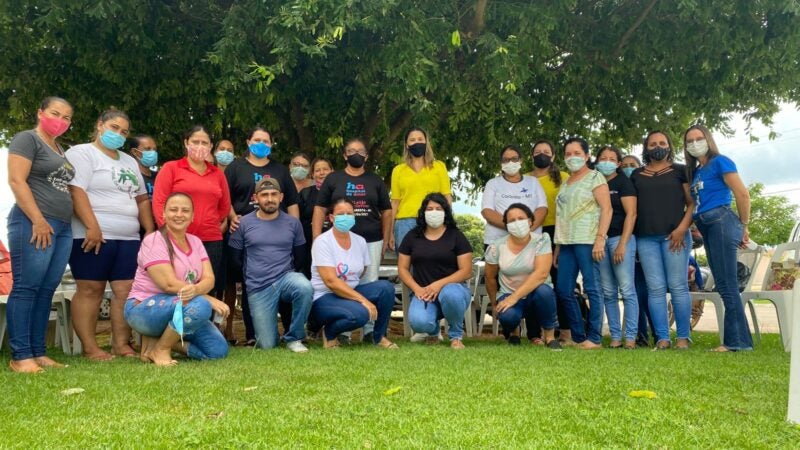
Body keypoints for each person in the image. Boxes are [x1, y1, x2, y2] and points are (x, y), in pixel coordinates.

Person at [66, 109, 155, 361]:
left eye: (124, 132)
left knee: (126, 290)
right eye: (114, 128)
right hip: (91, 234)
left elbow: (141, 199)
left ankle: (120, 344)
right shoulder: (82, 152)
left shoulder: (128, 161)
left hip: (128, 238)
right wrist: (92, 226)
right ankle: (91, 347)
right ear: (100, 125)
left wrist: (149, 231)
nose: (119, 134)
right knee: (90, 289)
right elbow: (76, 190)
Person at [6, 96, 75, 373]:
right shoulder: (27, 139)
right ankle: (21, 356)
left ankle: (38, 352)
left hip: (62, 226)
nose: (60, 120)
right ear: (40, 112)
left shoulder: (59, 148)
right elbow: (16, 180)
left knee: (47, 289)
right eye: (55, 113)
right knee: (27, 287)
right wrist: (37, 219)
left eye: (67, 117)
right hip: (33, 222)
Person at [125, 193, 230, 366]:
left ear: (192, 216)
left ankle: (157, 344)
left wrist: (197, 292)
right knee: (201, 306)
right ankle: (161, 350)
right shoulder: (154, 241)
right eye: (173, 210)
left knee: (217, 351)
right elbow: (168, 284)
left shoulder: (195, 241)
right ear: (163, 214)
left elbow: (209, 278)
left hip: (183, 307)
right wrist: (203, 296)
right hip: (144, 308)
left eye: (185, 210)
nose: (179, 214)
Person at [223, 127, 299, 344]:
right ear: (248, 142)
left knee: (285, 277)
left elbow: (291, 201)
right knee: (249, 283)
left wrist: (294, 228)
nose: (261, 144)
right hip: (245, 233)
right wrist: (232, 216)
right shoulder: (235, 167)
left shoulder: (280, 170)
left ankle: (290, 331)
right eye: (257, 140)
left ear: (271, 144)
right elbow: (224, 196)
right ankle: (251, 334)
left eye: (266, 141)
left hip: (278, 234)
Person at [312, 138, 392, 342]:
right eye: (351, 150)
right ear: (344, 155)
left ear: (366, 155)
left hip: (370, 240)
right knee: (342, 282)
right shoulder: (333, 179)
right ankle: (343, 332)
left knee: (366, 282)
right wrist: (316, 238)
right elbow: (320, 208)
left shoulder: (375, 180)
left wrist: (385, 238)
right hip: (336, 240)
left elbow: (387, 211)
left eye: (360, 150)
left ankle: (370, 332)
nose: (356, 154)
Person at [684, 124, 752, 352]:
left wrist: (744, 225)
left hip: (722, 222)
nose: (694, 143)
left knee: (728, 284)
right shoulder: (698, 171)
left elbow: (742, 193)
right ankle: (741, 342)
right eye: (689, 141)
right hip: (708, 227)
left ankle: (736, 343)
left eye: (698, 138)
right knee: (723, 284)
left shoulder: (721, 162)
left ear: (708, 139)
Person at [152, 125, 232, 314]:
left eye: (204, 142)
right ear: (186, 143)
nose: (199, 146)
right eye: (195, 141)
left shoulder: (217, 173)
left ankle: (204, 330)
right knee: (176, 285)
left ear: (211, 146)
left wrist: (210, 221)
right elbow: (159, 202)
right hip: (176, 239)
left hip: (210, 240)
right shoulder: (171, 168)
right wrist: (169, 233)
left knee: (206, 287)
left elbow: (224, 206)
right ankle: (175, 331)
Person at [228, 178, 312, 352]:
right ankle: (272, 337)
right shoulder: (242, 223)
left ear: (281, 197)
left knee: (304, 286)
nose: (270, 198)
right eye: (264, 195)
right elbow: (235, 259)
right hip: (258, 286)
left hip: (285, 279)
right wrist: (249, 278)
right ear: (256, 198)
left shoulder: (293, 223)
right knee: (267, 345)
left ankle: (294, 337)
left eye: (274, 194)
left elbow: (300, 257)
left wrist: (288, 273)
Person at [630, 130, 695, 350]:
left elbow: (691, 203)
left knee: (678, 286)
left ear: (669, 146)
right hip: (646, 239)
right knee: (655, 288)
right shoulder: (637, 175)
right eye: (652, 144)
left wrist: (681, 229)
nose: (657, 146)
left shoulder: (680, 171)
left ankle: (683, 338)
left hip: (675, 237)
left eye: (662, 142)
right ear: (646, 148)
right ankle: (662, 338)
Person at [310, 198, 398, 349]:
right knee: (361, 314)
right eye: (341, 213)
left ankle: (378, 337)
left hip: (351, 291)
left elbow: (362, 271)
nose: (346, 217)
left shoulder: (360, 241)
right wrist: (362, 300)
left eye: (349, 213)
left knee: (386, 288)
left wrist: (356, 295)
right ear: (331, 218)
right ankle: (330, 332)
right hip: (325, 296)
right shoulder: (322, 242)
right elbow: (331, 281)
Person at [554, 137, 612, 349]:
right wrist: (558, 247)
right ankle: (578, 337)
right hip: (566, 243)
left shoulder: (595, 178)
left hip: (588, 240)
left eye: (577, 153)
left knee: (593, 288)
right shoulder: (565, 183)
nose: (572, 157)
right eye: (568, 154)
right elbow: (562, 215)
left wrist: (600, 239)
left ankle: (594, 337)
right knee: (563, 290)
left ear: (587, 156)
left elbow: (607, 209)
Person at [398, 193, 472, 349]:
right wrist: (416, 288)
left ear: (445, 212)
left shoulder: (456, 236)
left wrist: (439, 285)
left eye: (438, 208)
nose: (434, 212)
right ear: (423, 212)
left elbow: (466, 271)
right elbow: (403, 269)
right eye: (429, 208)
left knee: (451, 294)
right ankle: (433, 331)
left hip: (453, 290)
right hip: (424, 292)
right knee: (419, 323)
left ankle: (455, 336)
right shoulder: (412, 236)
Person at [484, 204, 561, 349]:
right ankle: (514, 332)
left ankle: (550, 337)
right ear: (506, 225)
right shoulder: (496, 247)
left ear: (531, 221)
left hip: (535, 295)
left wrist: (514, 298)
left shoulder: (541, 240)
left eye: (521, 218)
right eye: (511, 220)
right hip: (508, 292)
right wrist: (494, 304)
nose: (516, 223)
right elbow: (489, 277)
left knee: (544, 291)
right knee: (507, 316)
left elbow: (541, 274)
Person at [592, 145, 639, 349]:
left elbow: (632, 214)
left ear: (618, 163)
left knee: (627, 290)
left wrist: (622, 244)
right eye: (603, 158)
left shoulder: (623, 182)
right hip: (600, 242)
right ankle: (615, 337)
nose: (607, 161)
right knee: (608, 291)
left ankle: (630, 337)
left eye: (612, 159)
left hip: (620, 240)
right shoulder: (593, 181)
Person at [526, 139, 569, 344]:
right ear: (531, 155)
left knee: (559, 283)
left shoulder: (564, 178)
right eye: (537, 151)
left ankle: (564, 331)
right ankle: (536, 333)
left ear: (553, 156)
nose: (541, 154)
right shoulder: (524, 179)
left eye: (546, 151)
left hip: (558, 233)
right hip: (531, 233)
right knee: (534, 282)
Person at [389, 127, 452, 252]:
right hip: (404, 224)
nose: (416, 142)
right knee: (406, 265)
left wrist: (448, 223)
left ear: (426, 142)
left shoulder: (439, 167)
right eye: (412, 140)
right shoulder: (398, 170)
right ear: (407, 145)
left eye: (420, 139)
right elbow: (395, 202)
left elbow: (447, 197)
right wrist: (390, 232)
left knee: (431, 264)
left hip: (433, 221)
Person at [481, 145, 547, 248]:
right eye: (506, 160)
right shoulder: (493, 183)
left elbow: (542, 208)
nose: (510, 162)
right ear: (501, 163)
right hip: (498, 243)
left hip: (531, 242)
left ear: (521, 161)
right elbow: (487, 211)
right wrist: (513, 227)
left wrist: (525, 229)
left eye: (514, 159)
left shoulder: (533, 182)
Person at [621, 154, 654, 346]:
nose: (628, 168)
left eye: (632, 165)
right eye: (624, 165)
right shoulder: (617, 188)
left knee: (646, 291)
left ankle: (658, 332)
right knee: (633, 291)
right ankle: (640, 334)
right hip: (625, 244)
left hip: (645, 242)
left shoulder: (644, 188)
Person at [298, 158, 334, 278]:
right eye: (317, 170)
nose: (322, 173)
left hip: (334, 245)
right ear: (312, 174)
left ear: (332, 171)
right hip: (308, 246)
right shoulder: (305, 193)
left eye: (325, 169)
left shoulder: (339, 193)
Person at [128, 135, 159, 199]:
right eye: (148, 149)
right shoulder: (130, 178)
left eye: (154, 149)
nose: (153, 152)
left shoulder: (158, 176)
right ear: (135, 152)